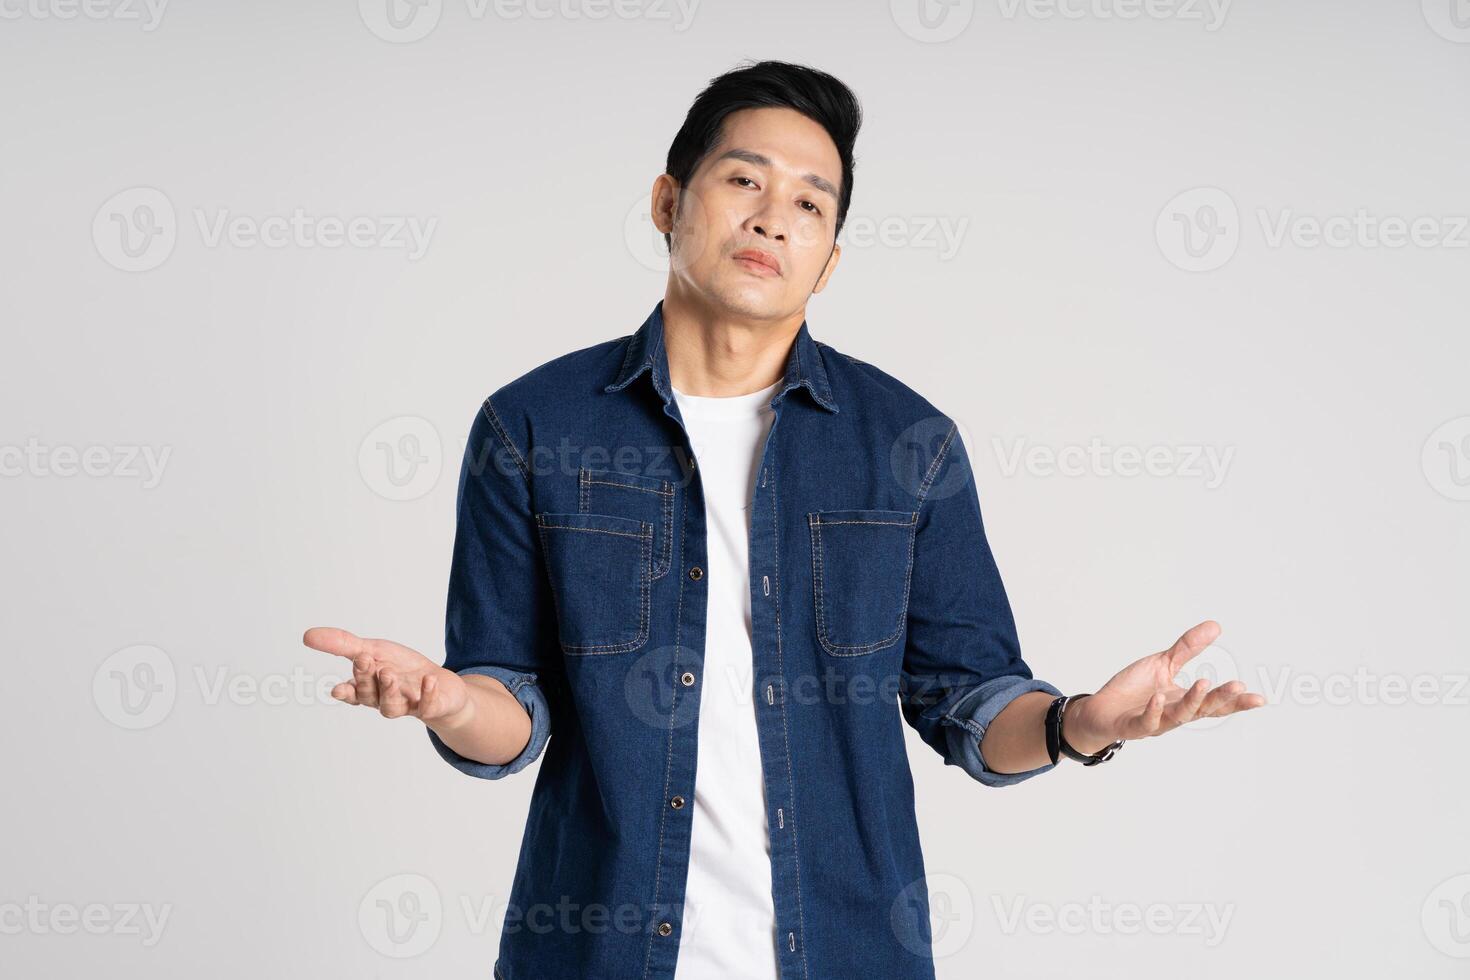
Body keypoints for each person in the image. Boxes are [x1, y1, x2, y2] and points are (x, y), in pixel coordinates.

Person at [303, 59, 1265, 980]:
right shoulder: (532, 425)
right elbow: (508, 712)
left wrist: (1078, 724)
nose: (774, 218)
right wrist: (444, 701)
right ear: (667, 203)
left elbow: (970, 707)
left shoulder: (907, 444)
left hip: (849, 955)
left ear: (830, 261)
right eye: (743, 179)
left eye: (809, 203)